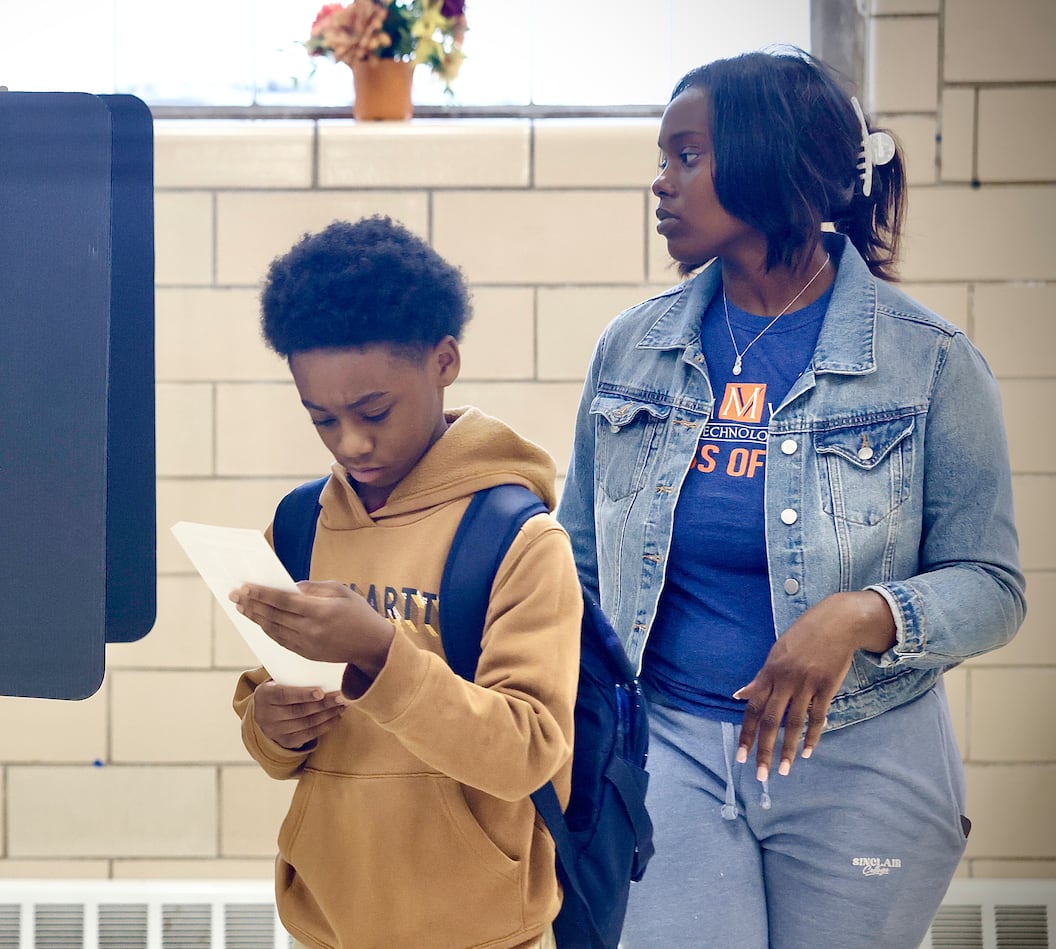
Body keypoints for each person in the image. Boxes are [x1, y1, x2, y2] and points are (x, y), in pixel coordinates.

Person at [555, 47, 1026, 948]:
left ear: (772, 160)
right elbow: (576, 559)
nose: (661, 184)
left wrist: (857, 613)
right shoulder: (631, 350)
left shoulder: (928, 362)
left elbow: (994, 586)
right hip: (674, 748)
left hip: (863, 756)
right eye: (663, 159)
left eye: (687, 156)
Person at [228, 215, 581, 949]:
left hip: (480, 933)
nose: (351, 442)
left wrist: (384, 657)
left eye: (373, 411)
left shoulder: (518, 539)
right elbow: (269, 729)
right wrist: (270, 723)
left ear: (443, 360)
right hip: (327, 925)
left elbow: (528, 751)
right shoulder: (299, 527)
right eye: (321, 418)